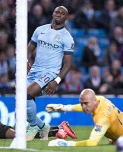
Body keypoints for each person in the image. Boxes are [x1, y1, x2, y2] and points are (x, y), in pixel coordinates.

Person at [26, 6, 74, 141]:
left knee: (27, 94)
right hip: (35, 70)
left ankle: (34, 126)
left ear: (66, 17)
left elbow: (68, 64)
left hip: (50, 73)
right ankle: (44, 127)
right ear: (53, 13)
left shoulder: (67, 37)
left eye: (62, 13)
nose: (58, 14)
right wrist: (26, 61)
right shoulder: (40, 30)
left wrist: (56, 80)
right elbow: (29, 49)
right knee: (21, 102)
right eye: (57, 11)